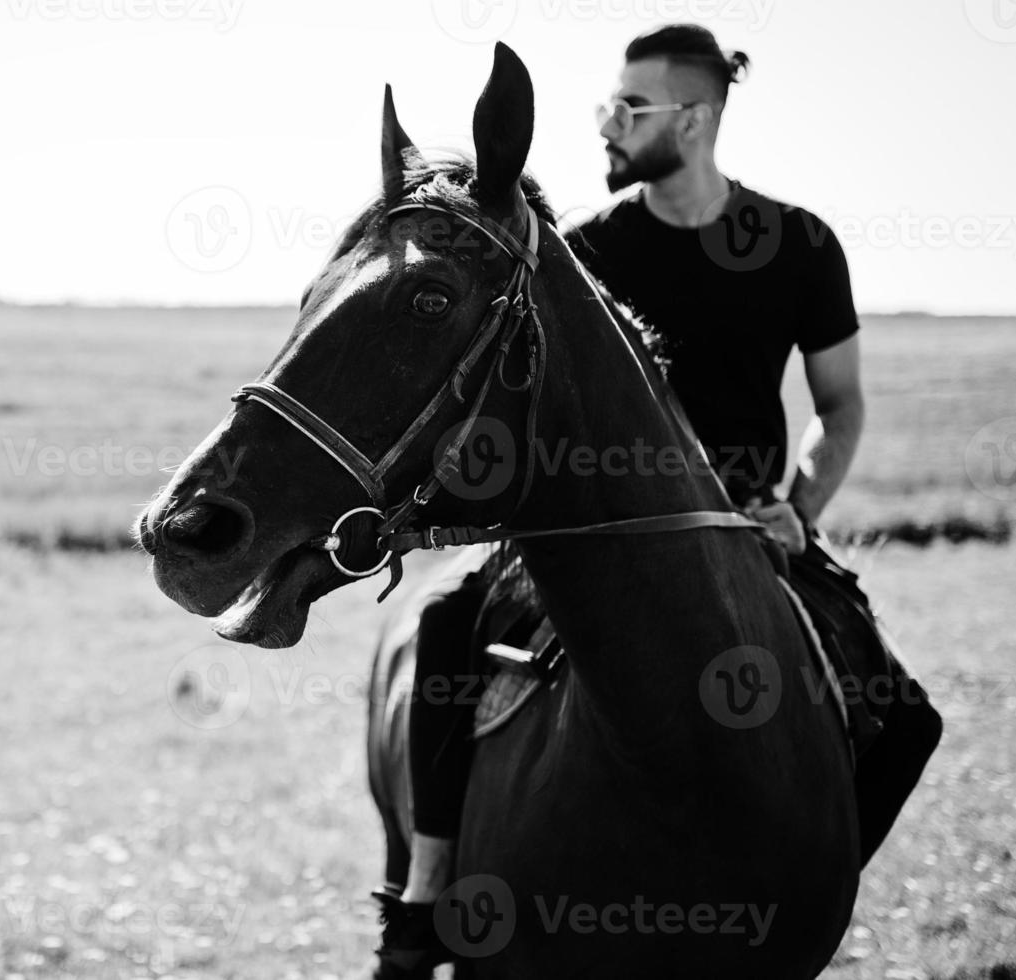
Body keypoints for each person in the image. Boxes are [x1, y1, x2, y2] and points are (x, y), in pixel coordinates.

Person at [369, 23, 940, 978]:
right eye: (608, 105)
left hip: (755, 529)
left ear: (698, 117)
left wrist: (799, 506)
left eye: (629, 109)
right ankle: (424, 897)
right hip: (589, 530)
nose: (608, 124)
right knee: (442, 623)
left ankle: (800, 905)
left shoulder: (799, 247)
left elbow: (837, 409)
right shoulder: (584, 249)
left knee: (906, 716)